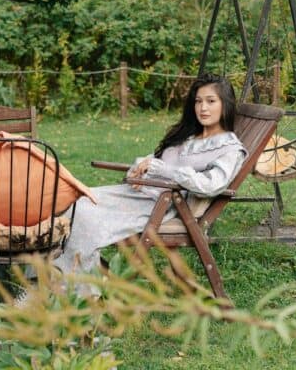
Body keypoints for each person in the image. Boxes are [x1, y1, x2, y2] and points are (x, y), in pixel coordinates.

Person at [49, 73, 248, 291]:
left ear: (225, 105)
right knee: (74, 203)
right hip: (139, 194)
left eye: (211, 101)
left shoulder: (230, 150)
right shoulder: (190, 135)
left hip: (161, 206)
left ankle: (79, 293)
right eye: (198, 101)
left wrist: (162, 170)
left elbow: (211, 184)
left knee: (84, 215)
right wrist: (140, 168)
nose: (203, 108)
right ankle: (49, 283)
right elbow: (158, 159)